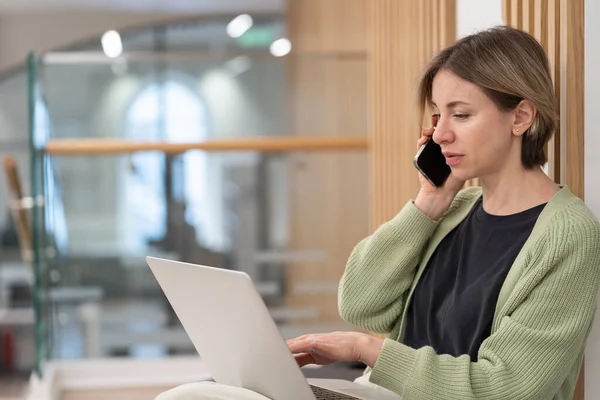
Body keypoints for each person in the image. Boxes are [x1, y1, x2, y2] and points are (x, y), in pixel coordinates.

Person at [286, 26, 600, 400]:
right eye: (438, 115)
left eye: (461, 115)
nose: (439, 135)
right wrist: (429, 202)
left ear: (521, 117)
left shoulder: (567, 234)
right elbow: (361, 306)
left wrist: (365, 350)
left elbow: (509, 388)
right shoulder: (455, 210)